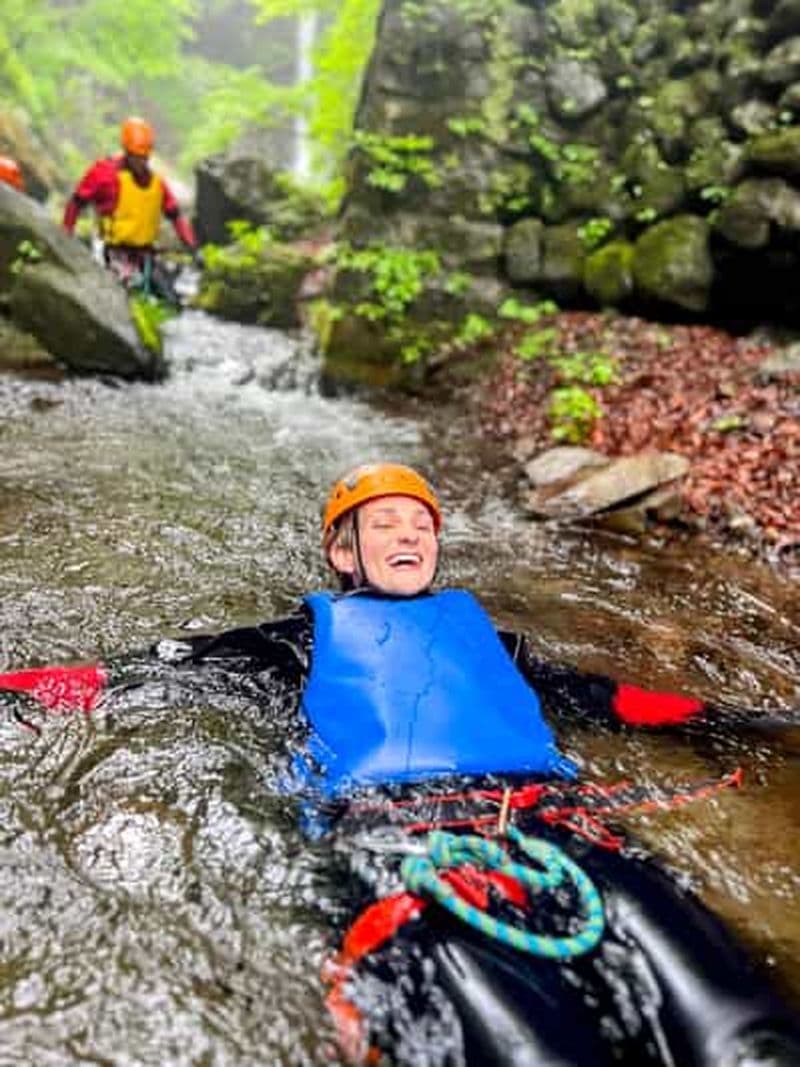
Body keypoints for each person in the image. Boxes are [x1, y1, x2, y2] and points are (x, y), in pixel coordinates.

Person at [0, 463, 798, 1067]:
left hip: (561, 825)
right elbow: (151, 672)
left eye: (420, 524)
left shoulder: (498, 644)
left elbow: (610, 699)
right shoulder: (298, 639)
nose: (409, 535)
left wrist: (756, 723)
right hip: (399, 846)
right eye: (383, 524)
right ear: (342, 552)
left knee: (747, 1037)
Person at [62, 116, 200, 296]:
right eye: (136, 156)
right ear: (126, 151)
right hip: (114, 254)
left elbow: (175, 216)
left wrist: (193, 248)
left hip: (146, 255)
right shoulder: (104, 173)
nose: (140, 162)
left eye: (144, 157)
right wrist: (65, 235)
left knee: (170, 300)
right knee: (127, 293)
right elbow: (77, 202)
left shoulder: (157, 184)